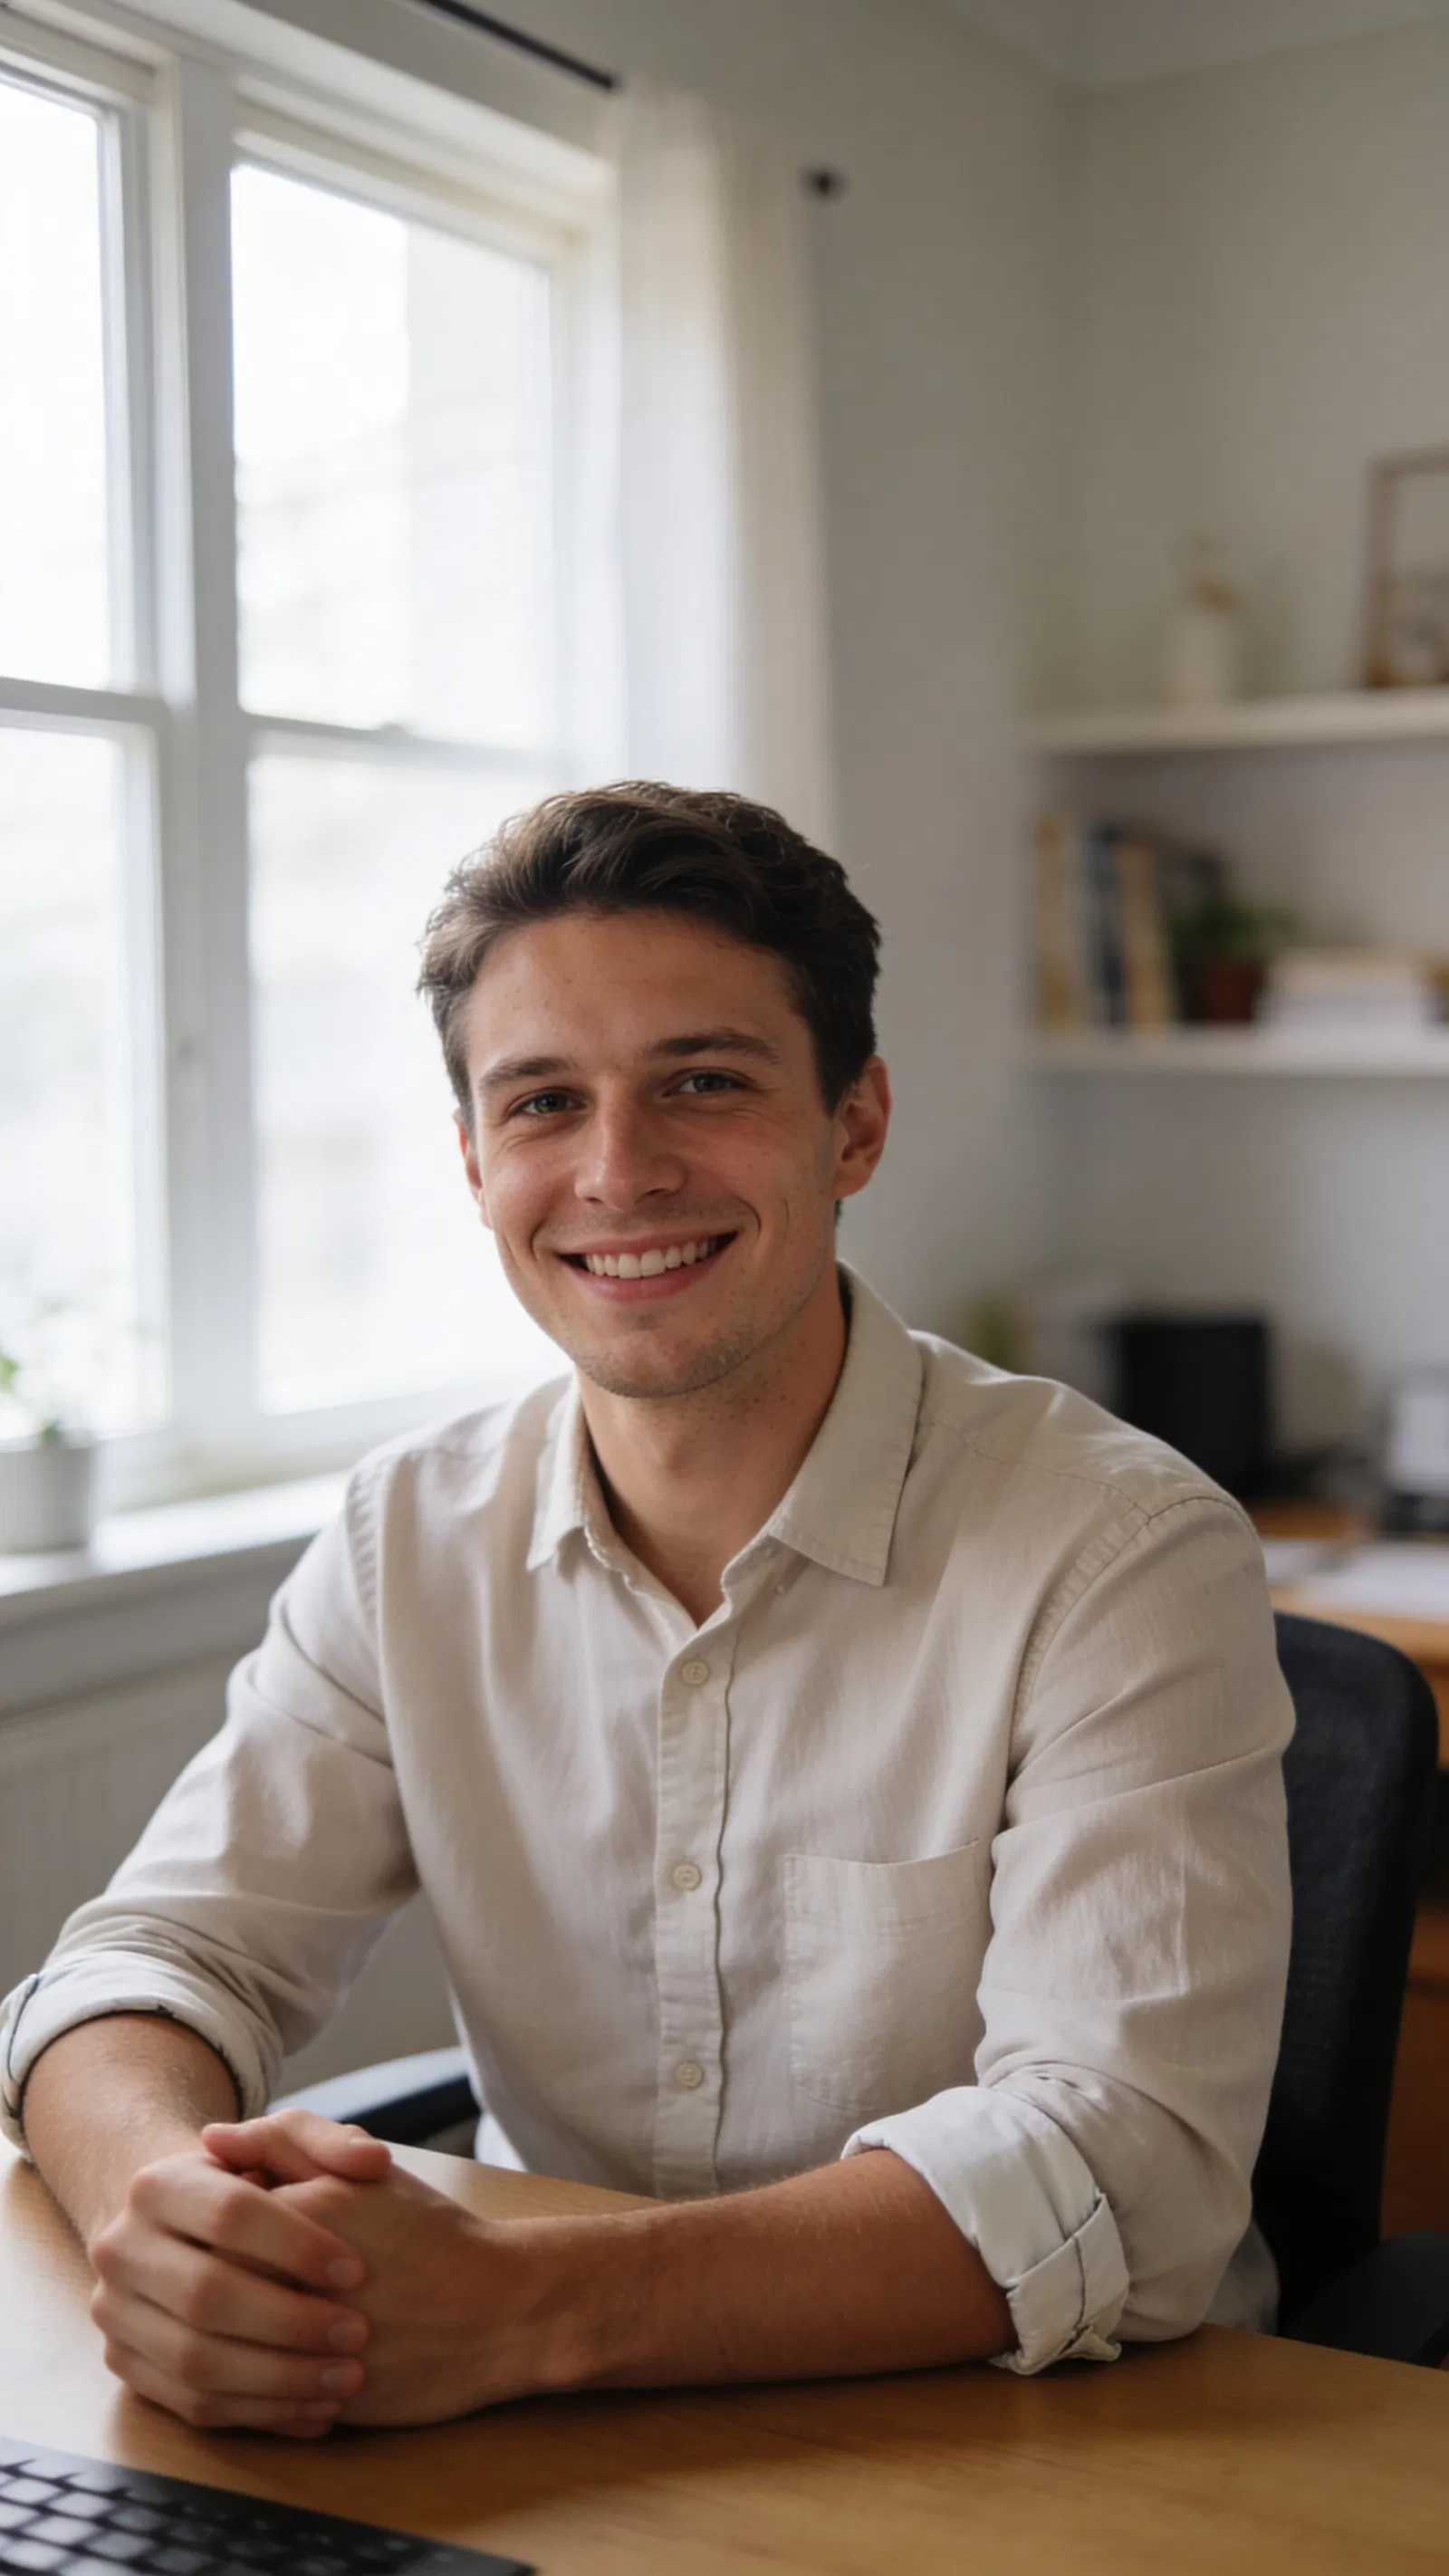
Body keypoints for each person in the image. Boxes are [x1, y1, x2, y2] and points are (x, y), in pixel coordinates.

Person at [0, 783, 1291, 2437]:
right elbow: (150, 1959)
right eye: (544, 1102)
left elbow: (1125, 2165)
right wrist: (175, 2223)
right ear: (477, 1166)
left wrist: (527, 2309)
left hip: (1028, 2433)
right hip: (534, 2432)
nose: (620, 1171)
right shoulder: (412, 1534)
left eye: (704, 1080)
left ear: (856, 1125)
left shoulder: (1120, 1548)